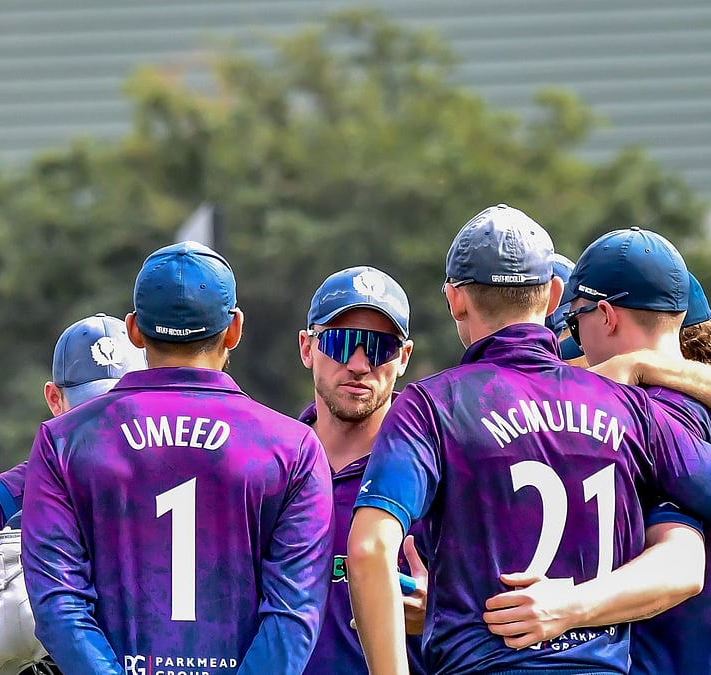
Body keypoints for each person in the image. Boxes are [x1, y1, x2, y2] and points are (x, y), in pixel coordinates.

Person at [348, 205, 707, 675]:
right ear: (554, 293)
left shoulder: (430, 405)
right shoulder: (628, 407)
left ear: (454, 299)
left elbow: (370, 548)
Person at [23, 241, 334, 674]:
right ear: (234, 330)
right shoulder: (293, 447)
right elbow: (293, 616)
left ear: (133, 330)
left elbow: (59, 606)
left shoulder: (65, 440)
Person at [482, 233, 711, 673]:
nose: (572, 342)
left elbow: (682, 563)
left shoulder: (644, 419)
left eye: (574, 317)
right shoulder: (672, 402)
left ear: (605, 314)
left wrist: (565, 606)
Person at [0, 313, 145, 675]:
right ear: (54, 399)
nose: (107, 422)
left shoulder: (171, 489)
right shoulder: (0, 500)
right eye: (91, 407)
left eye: (121, 405)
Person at [296, 266, 426, 675]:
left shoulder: (437, 465)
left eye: (379, 347)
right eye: (340, 342)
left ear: (403, 357)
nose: (358, 364)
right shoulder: (271, 467)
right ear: (306, 348)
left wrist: (443, 612)